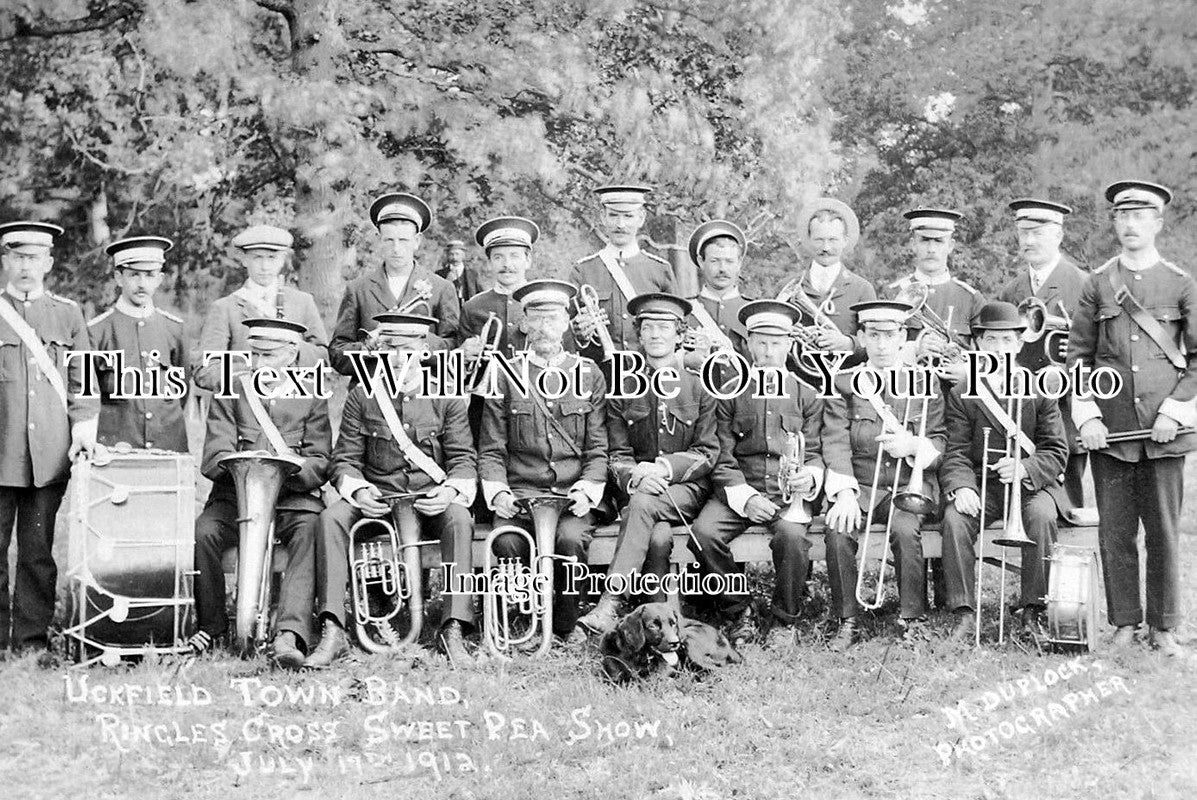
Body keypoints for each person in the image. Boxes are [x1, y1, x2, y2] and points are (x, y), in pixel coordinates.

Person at [1068, 180, 1197, 657]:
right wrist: (1087, 419)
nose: (1130, 224)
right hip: (1112, 432)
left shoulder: (1180, 282)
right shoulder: (1097, 283)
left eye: (1140, 216)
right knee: (1115, 532)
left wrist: (1174, 411)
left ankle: (1164, 628)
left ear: (1157, 223)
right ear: (1114, 222)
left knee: (1163, 532)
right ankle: (1124, 623)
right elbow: (1078, 359)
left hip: (1163, 433)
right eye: (1122, 216)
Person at [308, 311, 478, 667]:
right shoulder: (363, 395)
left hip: (429, 498)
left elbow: (463, 459)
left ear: (423, 349)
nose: (399, 356)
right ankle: (333, 628)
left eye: (408, 347)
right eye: (391, 348)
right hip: (379, 498)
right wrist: (357, 491)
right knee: (330, 518)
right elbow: (344, 459)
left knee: (459, 519)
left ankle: (453, 628)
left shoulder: (446, 395)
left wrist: (449, 492)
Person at [189, 317, 331, 669]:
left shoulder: (312, 394)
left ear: (292, 353)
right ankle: (212, 626)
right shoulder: (232, 389)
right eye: (255, 354)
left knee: (310, 529)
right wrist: (243, 469)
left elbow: (320, 458)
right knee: (203, 532)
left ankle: (290, 633)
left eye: (269, 355)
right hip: (234, 495)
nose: (259, 364)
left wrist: (290, 473)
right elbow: (213, 455)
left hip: (292, 496)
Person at [578, 293, 719, 634]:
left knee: (643, 505)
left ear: (679, 334)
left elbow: (707, 451)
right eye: (648, 328)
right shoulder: (624, 387)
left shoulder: (699, 386)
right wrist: (637, 474)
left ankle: (611, 603)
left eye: (664, 327)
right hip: (638, 491)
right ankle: (661, 624)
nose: (656, 335)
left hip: (685, 492)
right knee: (656, 536)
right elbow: (616, 454)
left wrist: (664, 469)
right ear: (638, 335)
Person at [478, 279, 608, 645]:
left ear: (566, 323)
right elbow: (491, 448)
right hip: (520, 490)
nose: (544, 328)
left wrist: (588, 489)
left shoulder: (588, 374)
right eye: (535, 320)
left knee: (569, 540)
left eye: (552, 319)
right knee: (507, 542)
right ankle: (521, 618)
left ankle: (565, 626)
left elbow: (599, 448)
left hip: (571, 493)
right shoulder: (504, 374)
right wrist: (498, 493)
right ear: (524, 325)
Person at [690, 300, 824, 646]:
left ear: (789, 346)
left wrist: (810, 476)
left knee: (792, 537)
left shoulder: (807, 394)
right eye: (761, 342)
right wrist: (745, 498)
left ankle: (785, 620)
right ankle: (738, 611)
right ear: (747, 344)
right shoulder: (728, 393)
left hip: (788, 495)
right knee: (703, 533)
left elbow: (820, 451)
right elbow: (719, 454)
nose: (768, 351)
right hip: (741, 492)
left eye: (776, 343)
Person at [939, 302, 1068, 642]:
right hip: (983, 486)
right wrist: (962, 487)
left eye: (1007, 341)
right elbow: (955, 452)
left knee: (1041, 516)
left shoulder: (1040, 389)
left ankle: (1032, 611)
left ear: (1019, 344)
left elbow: (1057, 451)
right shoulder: (962, 394)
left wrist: (1025, 467)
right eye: (991, 341)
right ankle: (964, 614)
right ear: (979, 344)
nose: (999, 349)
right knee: (955, 518)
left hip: (1030, 488)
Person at [0, 220, 100, 653]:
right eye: (18, 257)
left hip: (48, 456)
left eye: (34, 258)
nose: (25, 266)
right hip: (1, 452)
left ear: (49, 263)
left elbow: (83, 379)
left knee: (37, 554)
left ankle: (31, 641)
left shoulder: (68, 313)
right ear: (5, 260)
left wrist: (83, 428)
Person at [821, 300, 945, 649]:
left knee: (907, 530)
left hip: (908, 484)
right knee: (837, 528)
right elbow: (834, 438)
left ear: (903, 336)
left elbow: (941, 440)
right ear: (861, 337)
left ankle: (912, 619)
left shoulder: (924, 382)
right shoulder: (843, 383)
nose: (881, 344)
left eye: (890, 335)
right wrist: (844, 492)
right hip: (860, 485)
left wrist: (913, 445)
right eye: (872, 335)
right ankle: (847, 620)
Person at [996, 198, 1090, 513]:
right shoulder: (1012, 290)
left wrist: (1068, 359)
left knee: (1067, 511)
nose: (1029, 241)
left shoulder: (1082, 284)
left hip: (1065, 418)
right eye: (1023, 233)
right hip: (1022, 415)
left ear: (1059, 235)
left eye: (1038, 232)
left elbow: (1100, 351)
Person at [330, 193, 460, 375]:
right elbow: (337, 355)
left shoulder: (442, 288)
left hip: (422, 394)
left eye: (404, 240)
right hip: (373, 393)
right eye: (389, 240)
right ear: (378, 240)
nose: (396, 249)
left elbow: (455, 349)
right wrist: (368, 346)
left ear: (417, 241)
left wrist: (416, 339)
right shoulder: (358, 289)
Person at [193, 224, 327, 392]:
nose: (265, 266)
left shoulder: (303, 302)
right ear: (244, 259)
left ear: (283, 259)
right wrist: (252, 374)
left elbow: (324, 357)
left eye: (272, 258)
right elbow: (205, 370)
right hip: (245, 406)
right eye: (257, 257)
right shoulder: (225, 308)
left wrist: (294, 348)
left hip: (292, 405)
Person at [87, 236, 188, 452]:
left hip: (167, 446)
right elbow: (88, 397)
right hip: (115, 449)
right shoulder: (96, 331)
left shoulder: (174, 329)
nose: (142, 284)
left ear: (160, 278)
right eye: (134, 275)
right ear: (118, 277)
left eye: (149, 275)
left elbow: (182, 391)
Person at [570, 185, 675, 361]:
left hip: (648, 375)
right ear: (602, 217)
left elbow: (678, 328)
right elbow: (565, 330)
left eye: (628, 216)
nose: (620, 225)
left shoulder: (660, 270)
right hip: (601, 376)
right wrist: (578, 332)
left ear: (641, 218)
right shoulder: (583, 270)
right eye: (613, 215)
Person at [885, 208, 985, 376]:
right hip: (908, 392)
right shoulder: (892, 294)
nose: (931, 249)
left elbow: (990, 353)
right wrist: (915, 349)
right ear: (913, 244)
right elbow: (878, 350)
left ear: (950, 246)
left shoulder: (970, 298)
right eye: (924, 240)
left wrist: (968, 372)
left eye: (938, 241)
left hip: (955, 397)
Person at [776, 198, 876, 353]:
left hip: (846, 375)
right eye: (819, 240)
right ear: (808, 240)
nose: (826, 247)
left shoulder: (862, 289)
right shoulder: (786, 286)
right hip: (796, 376)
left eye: (833, 240)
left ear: (845, 241)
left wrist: (849, 344)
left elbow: (876, 343)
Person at [681, 220, 752, 372]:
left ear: (739, 263)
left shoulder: (754, 312)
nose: (722, 269)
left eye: (729, 261)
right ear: (701, 261)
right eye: (715, 261)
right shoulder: (684, 311)